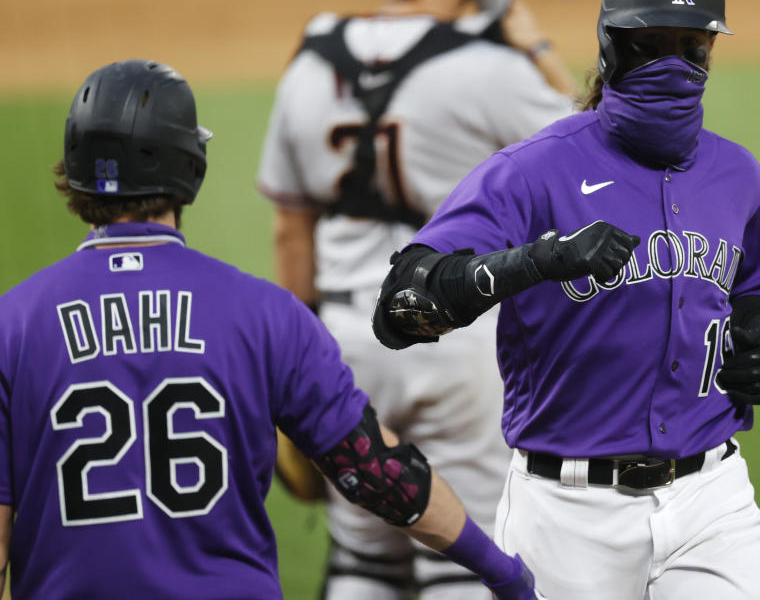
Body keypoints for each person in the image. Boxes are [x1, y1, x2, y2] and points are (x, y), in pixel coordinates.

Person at [0, 59, 544, 600]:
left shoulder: (13, 325)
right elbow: (374, 470)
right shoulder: (265, 314)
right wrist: (496, 567)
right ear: (189, 163)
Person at [372, 0, 760, 600]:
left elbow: (753, 291)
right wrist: (537, 261)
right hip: (566, 516)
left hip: (711, 500)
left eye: (692, 45)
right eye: (652, 43)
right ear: (613, 47)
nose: (675, 64)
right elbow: (400, 308)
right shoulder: (533, 171)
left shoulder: (736, 174)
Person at [257, 0, 574, 597]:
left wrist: (302, 359)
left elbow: (291, 230)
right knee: (466, 555)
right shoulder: (490, 66)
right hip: (456, 345)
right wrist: (537, 49)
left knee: (363, 555)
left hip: (341, 344)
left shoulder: (311, 60)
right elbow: (588, 161)